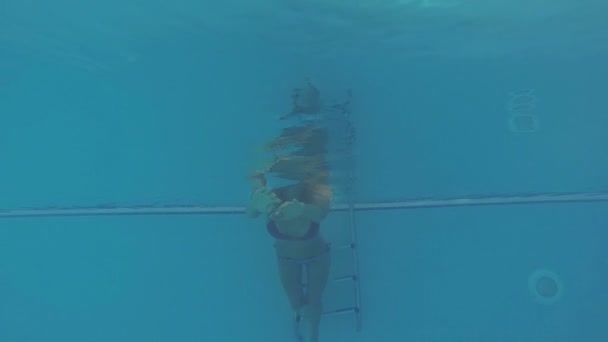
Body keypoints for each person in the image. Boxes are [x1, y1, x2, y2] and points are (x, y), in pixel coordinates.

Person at [246, 174, 332, 342]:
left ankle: (314, 335)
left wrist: (302, 208)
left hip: (318, 256)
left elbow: (321, 214)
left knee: (314, 302)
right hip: (286, 259)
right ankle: (301, 328)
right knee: (295, 304)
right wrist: (253, 202)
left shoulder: (314, 185)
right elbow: (250, 213)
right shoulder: (268, 194)